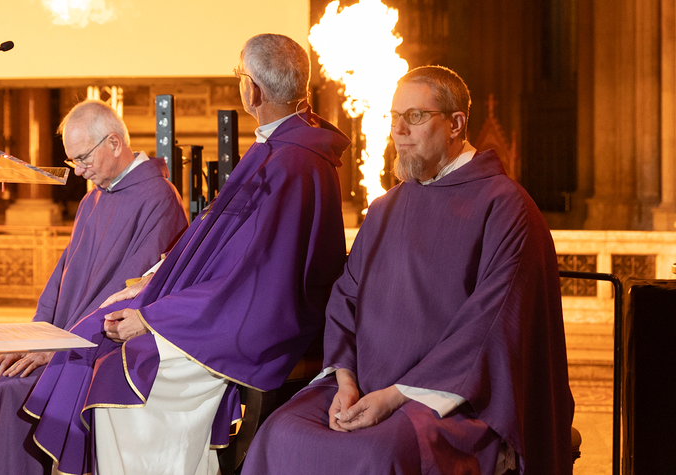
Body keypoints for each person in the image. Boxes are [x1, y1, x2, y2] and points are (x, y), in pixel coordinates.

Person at [23, 33, 350, 475]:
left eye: (239, 75)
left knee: (122, 374)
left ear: (252, 90)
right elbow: (223, 243)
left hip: (259, 319)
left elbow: (254, 276)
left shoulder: (291, 159)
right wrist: (156, 278)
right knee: (107, 330)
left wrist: (153, 317)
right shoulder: (283, 146)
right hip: (239, 301)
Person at [241, 66, 574, 475]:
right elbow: (345, 299)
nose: (398, 130)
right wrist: (345, 380)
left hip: (452, 397)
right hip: (363, 384)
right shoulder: (385, 209)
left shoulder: (505, 207)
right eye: (394, 117)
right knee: (279, 432)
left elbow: (490, 327)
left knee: (379, 454)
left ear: (455, 124)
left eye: (414, 116)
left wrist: (394, 396)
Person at [0, 99, 187, 475]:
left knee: (10, 392)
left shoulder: (159, 199)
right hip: (64, 339)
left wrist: (61, 347)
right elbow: (62, 278)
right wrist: (32, 337)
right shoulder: (93, 197)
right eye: (72, 160)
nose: (78, 171)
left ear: (114, 143)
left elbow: (133, 293)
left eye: (83, 158)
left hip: (101, 347)